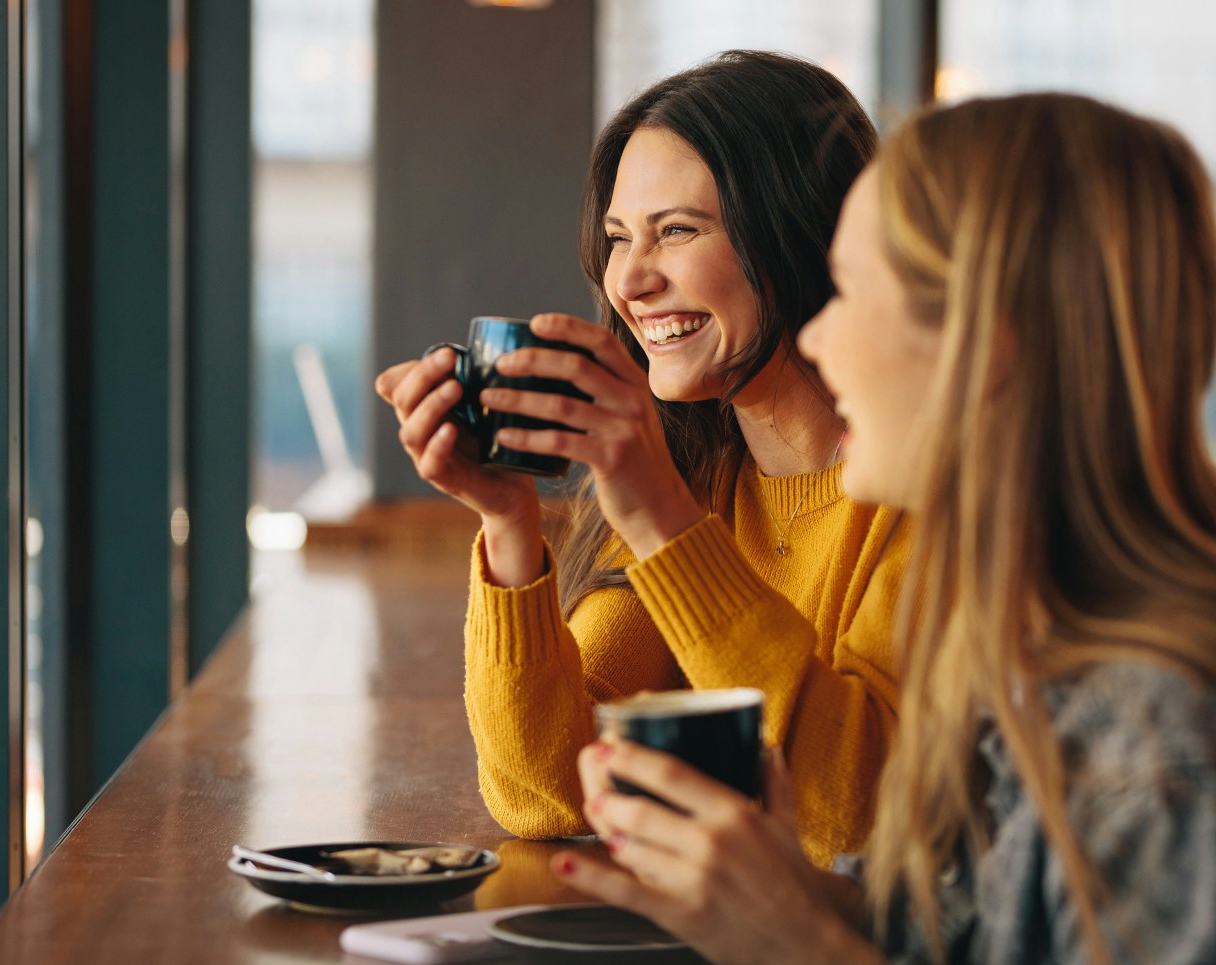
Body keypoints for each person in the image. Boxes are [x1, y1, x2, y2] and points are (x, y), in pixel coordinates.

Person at [555, 92, 1216, 965]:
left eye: (852, 292)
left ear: (986, 345)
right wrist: (791, 898)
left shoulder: (1161, 740)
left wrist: (818, 962)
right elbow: (997, 953)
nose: (816, 337)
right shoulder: (1062, 644)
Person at [375, 51, 910, 863]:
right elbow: (546, 792)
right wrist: (509, 520)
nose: (628, 281)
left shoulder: (924, 491)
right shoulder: (697, 480)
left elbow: (852, 819)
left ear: (804, 236)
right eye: (620, 238)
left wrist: (661, 515)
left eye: (678, 231)